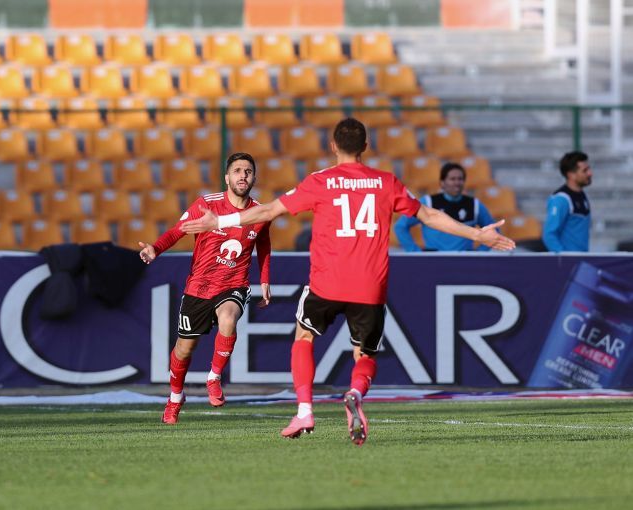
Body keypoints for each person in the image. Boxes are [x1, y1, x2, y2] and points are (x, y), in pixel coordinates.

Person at [181, 118, 515, 446]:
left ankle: (304, 411)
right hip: (369, 285)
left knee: (304, 336)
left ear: (333, 146)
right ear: (365, 146)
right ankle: (355, 392)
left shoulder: (319, 181)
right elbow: (428, 216)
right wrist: (477, 234)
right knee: (364, 353)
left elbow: (268, 211)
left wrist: (219, 221)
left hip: (326, 282)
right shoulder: (386, 182)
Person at [138, 152, 272, 425]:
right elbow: (178, 231)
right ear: (227, 178)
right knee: (183, 350)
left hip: (234, 283)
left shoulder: (258, 213)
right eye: (237, 171)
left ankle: (214, 377)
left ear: (254, 178)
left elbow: (264, 245)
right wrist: (156, 248)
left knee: (228, 318)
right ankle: (175, 397)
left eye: (248, 171)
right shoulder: (207, 204)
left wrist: (265, 279)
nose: (243, 176)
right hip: (199, 287)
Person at [394, 162, 496, 251]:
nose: (457, 183)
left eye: (460, 179)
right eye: (452, 179)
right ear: (442, 183)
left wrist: (480, 252)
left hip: (463, 260)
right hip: (434, 260)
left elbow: (493, 231)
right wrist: (414, 251)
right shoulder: (427, 203)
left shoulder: (475, 205)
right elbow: (400, 226)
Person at [542, 151, 592, 252]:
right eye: (585, 170)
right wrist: (564, 257)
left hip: (582, 259)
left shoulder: (582, 195)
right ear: (571, 175)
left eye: (589, 169)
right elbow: (549, 235)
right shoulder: (561, 199)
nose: (590, 173)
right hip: (569, 261)